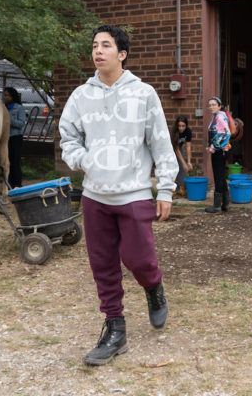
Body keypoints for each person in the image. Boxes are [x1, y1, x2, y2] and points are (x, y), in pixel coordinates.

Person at [58, 25, 178, 366]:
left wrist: (166, 188)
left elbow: (160, 142)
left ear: (121, 54)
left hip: (134, 193)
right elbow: (67, 135)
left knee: (139, 258)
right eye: (94, 45)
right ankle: (115, 330)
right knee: (103, 265)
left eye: (106, 45)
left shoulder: (144, 93)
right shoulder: (81, 95)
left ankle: (153, 287)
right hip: (95, 195)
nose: (98, 51)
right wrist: (83, 160)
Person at [204, 97, 231, 213]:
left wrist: (214, 147)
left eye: (214, 105)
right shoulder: (217, 117)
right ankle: (225, 204)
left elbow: (225, 133)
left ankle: (217, 206)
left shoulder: (219, 117)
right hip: (220, 151)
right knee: (221, 176)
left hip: (219, 151)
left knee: (218, 176)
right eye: (209, 105)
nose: (211, 107)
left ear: (220, 106)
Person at [3, 86, 26, 189]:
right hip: (4, 137)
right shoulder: (3, 107)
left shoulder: (19, 107)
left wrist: (9, 119)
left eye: (7, 95)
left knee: (15, 161)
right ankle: (9, 184)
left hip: (15, 137)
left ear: (13, 96)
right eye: (4, 95)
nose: (5, 97)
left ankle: (17, 184)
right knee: (6, 161)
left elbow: (21, 123)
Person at [171, 115, 193, 197]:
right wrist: (184, 163)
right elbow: (176, 149)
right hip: (169, 150)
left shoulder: (188, 131)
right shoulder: (174, 132)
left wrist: (189, 162)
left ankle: (181, 188)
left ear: (186, 125)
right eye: (179, 126)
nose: (181, 128)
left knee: (181, 169)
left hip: (179, 148)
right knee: (172, 168)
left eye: (183, 126)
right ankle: (171, 190)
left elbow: (188, 146)